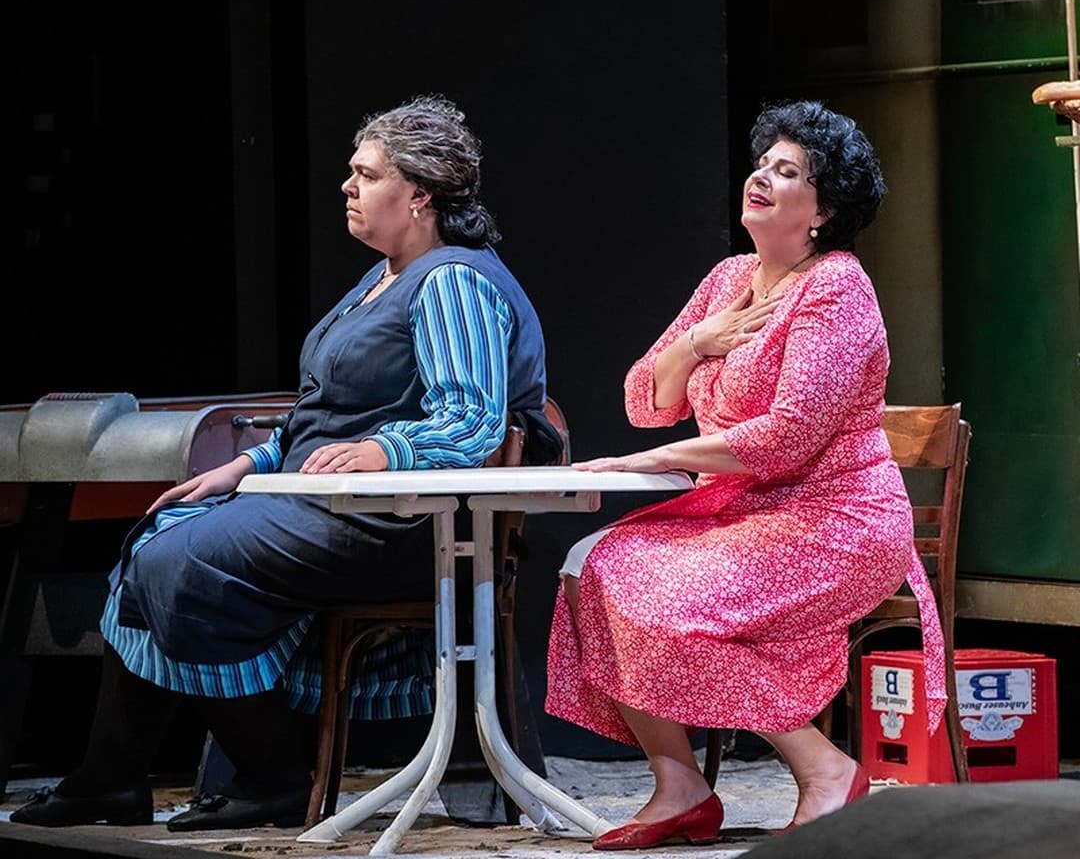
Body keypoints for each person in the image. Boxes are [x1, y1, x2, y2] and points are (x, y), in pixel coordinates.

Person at [12, 93, 560, 831]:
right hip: (339, 505)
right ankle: (110, 777)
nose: (348, 186)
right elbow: (331, 414)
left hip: (409, 524)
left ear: (420, 195)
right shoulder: (385, 276)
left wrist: (384, 450)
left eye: (368, 175)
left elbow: (471, 420)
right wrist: (250, 464)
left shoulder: (451, 281)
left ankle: (271, 776)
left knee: (180, 562)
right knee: (156, 539)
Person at [545, 100, 946, 851]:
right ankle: (681, 786)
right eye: (763, 163)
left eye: (787, 171)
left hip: (835, 522)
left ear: (823, 211)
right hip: (740, 514)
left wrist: (662, 460)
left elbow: (790, 436)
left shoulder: (836, 289)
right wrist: (698, 340)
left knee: (656, 599)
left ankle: (826, 770)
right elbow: (646, 399)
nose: (760, 176)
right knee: (587, 567)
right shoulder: (729, 278)